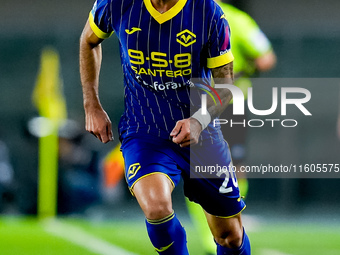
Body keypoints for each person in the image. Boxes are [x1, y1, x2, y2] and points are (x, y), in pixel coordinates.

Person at [80, 0, 251, 254]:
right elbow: (88, 41)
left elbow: (226, 86)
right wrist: (91, 104)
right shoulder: (116, 4)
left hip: (202, 135)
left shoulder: (208, 12)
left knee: (230, 237)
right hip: (144, 130)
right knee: (157, 207)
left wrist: (198, 121)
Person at [185, 2, 276, 254]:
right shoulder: (236, 18)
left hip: (201, 101)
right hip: (230, 102)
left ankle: (216, 230)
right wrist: (241, 72)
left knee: (202, 167)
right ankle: (226, 228)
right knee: (230, 167)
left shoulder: (186, 13)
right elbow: (266, 58)